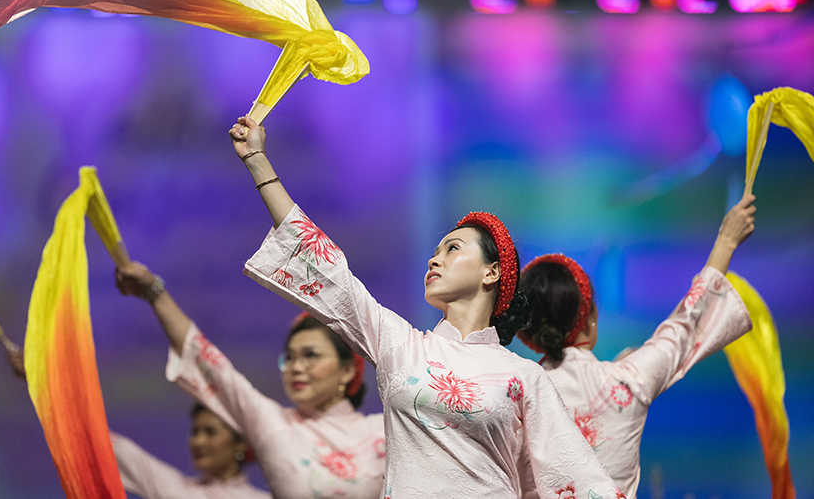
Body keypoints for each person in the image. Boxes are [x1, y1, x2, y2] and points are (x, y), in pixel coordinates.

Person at [229, 116, 625, 499]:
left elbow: (577, 476)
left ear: (492, 272)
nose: (434, 260)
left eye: (452, 249)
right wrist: (257, 161)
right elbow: (330, 271)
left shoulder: (524, 377)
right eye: (434, 252)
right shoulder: (401, 344)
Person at [516, 195, 756, 498]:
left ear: (529, 331)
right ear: (590, 318)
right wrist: (727, 239)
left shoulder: (516, 392)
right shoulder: (627, 382)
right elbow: (685, 325)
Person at [114, 259, 386, 499]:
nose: (296, 367)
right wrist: (154, 293)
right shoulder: (273, 423)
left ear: (348, 370)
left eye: (310, 356)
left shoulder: (383, 432)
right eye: (289, 358)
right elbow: (209, 362)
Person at [6, 345, 270, 499]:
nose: (198, 441)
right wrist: (42, 384)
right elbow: (104, 445)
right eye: (195, 431)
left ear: (241, 443)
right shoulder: (176, 489)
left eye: (210, 432)